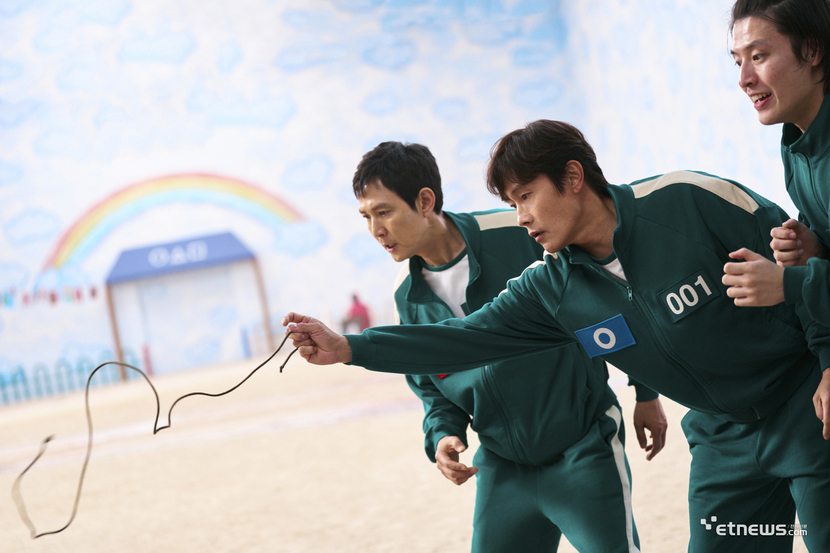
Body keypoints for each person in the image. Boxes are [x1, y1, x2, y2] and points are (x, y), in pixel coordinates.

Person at [284, 121, 830, 553]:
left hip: (804, 411)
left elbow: (805, 266)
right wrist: (351, 349)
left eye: (526, 196)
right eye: (511, 204)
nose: (522, 217)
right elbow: (465, 339)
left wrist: (829, 362)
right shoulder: (550, 287)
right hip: (720, 440)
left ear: (573, 177)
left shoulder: (686, 199)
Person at [348, 140, 666, 552]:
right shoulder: (405, 296)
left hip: (583, 443)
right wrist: (443, 434)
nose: (376, 230)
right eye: (366, 217)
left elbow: (607, 300)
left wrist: (646, 393)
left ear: (425, 201)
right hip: (502, 464)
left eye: (384, 212)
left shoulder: (521, 234)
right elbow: (433, 387)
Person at [723, 0, 830, 333]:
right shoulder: (796, 145)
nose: (744, 79)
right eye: (738, 61)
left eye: (758, 57)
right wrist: (817, 250)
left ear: (812, 50)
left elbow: (800, 284)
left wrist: (789, 284)